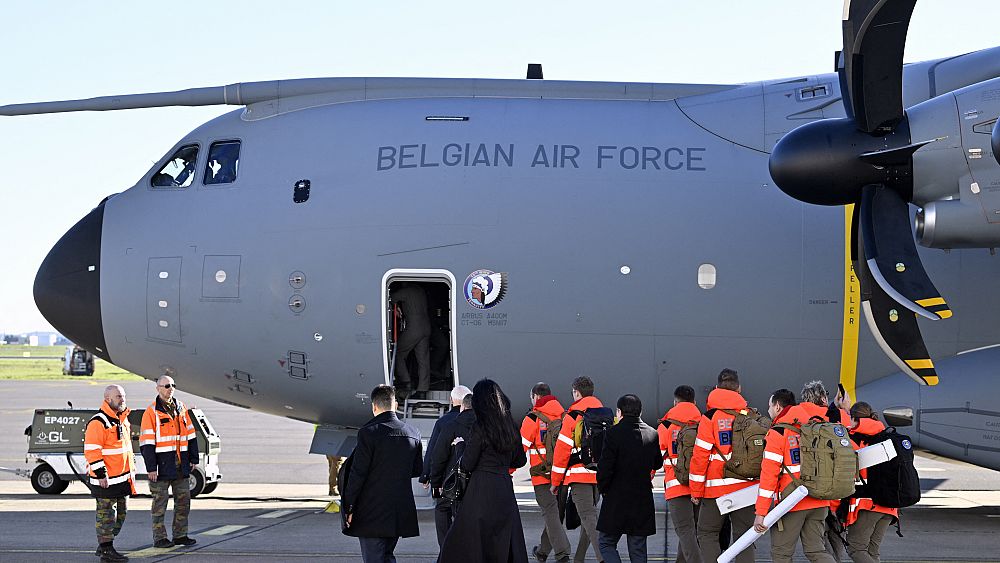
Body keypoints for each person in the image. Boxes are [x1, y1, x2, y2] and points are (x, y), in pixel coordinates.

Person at [439, 379, 529, 562]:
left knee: (469, 541)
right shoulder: (510, 426)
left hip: (480, 489)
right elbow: (520, 460)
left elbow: (468, 464)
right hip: (504, 487)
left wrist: (460, 447)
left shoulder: (480, 427)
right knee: (503, 538)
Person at [342, 385, 423, 563]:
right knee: (387, 556)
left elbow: (358, 474)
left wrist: (348, 507)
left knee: (374, 558)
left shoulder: (368, 433)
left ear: (374, 406)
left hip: (371, 511)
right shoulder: (413, 433)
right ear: (395, 405)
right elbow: (417, 469)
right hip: (398, 510)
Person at [753, 390, 836, 563]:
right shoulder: (814, 428)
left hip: (791, 504)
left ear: (777, 406)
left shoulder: (778, 433)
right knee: (816, 551)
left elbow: (769, 476)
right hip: (819, 500)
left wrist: (761, 512)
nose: (768, 410)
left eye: (770, 406)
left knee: (781, 555)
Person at [688, 368, 758, 563]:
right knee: (744, 538)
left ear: (717, 387)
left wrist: (696, 491)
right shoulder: (749, 415)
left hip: (715, 491)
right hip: (745, 488)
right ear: (739, 389)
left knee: (707, 533)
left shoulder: (709, 418)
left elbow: (699, 457)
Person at [596, 394, 662, 563]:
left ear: (619, 412)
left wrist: (604, 489)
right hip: (642, 499)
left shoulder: (612, 434)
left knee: (606, 543)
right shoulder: (652, 434)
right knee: (638, 548)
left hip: (616, 498)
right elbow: (657, 463)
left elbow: (605, 467)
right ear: (640, 411)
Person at [550, 376, 606, 563]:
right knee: (588, 521)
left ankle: (603, 557)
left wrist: (555, 482)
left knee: (589, 519)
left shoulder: (573, 416)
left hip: (579, 475)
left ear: (576, 393)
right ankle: (579, 559)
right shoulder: (603, 415)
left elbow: (562, 451)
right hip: (598, 475)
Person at [139, 376, 199, 548]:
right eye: (166, 386)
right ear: (158, 388)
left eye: (173, 385)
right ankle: (160, 538)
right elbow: (147, 443)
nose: (170, 388)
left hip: (181, 465)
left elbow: (191, 435)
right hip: (161, 467)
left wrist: (193, 458)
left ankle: (180, 535)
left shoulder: (181, 408)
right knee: (160, 505)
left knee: (183, 502)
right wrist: (151, 468)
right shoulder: (151, 412)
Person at [520, 382, 571, 563]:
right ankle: (542, 552)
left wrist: (507, 470)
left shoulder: (532, 419)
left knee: (550, 513)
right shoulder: (565, 416)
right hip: (562, 475)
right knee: (554, 515)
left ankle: (562, 552)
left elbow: (520, 451)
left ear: (535, 397)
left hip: (541, 476)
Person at [85, 385, 136, 563]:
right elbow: (92, 451)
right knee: (106, 515)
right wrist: (100, 474)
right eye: (118, 397)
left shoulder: (122, 419)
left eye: (123, 396)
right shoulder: (98, 422)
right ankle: (106, 549)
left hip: (122, 478)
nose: (122, 399)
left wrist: (131, 472)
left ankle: (105, 544)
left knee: (121, 513)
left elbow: (126, 449)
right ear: (107, 399)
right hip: (105, 479)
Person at [844, 402, 898, 563]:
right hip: (890, 506)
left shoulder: (853, 439)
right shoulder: (886, 435)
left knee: (856, 549)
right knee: (872, 553)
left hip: (868, 505)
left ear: (853, 418)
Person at [800, 380, 846, 560]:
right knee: (835, 543)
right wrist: (840, 407)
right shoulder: (838, 418)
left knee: (818, 545)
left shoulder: (800, 419)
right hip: (837, 493)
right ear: (822, 397)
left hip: (811, 493)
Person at [657, 385, 703, 563]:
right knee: (692, 532)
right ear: (694, 402)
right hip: (699, 487)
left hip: (676, 487)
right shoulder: (703, 424)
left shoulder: (666, 426)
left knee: (685, 532)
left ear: (675, 402)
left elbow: (656, 457)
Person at [424, 385, 474, 546]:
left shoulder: (446, 423)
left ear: (453, 401)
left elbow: (436, 454)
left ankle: (446, 550)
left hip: (450, 481)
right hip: (476, 482)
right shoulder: (484, 425)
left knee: (442, 510)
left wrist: (433, 480)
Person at [391, 282, 431, 398]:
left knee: (398, 354)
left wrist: (396, 307)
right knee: (423, 359)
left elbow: (391, 298)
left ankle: (406, 383)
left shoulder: (406, 291)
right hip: (426, 326)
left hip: (414, 327)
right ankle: (422, 390)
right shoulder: (420, 290)